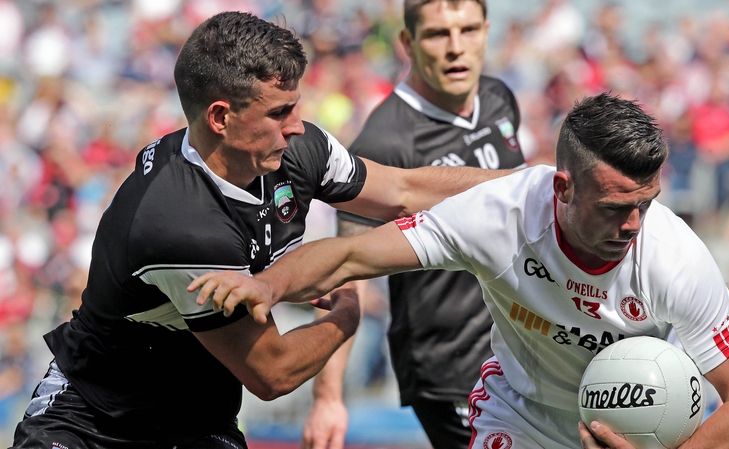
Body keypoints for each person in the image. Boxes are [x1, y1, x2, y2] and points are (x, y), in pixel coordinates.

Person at [10, 12, 515, 448]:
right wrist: (345, 316)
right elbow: (273, 372)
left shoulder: (294, 150)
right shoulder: (179, 224)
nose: (298, 125)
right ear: (220, 117)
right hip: (91, 420)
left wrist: (530, 184)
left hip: (198, 421)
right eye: (279, 113)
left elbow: (406, 190)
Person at [191, 93, 729, 449]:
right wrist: (268, 283)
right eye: (613, 208)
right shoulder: (497, 216)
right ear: (563, 187)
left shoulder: (674, 257)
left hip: (639, 435)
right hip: (519, 416)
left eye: (644, 205)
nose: (632, 225)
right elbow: (352, 254)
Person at [303, 1, 527, 448]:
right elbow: (346, 270)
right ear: (408, 42)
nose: (456, 48)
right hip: (451, 366)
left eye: (468, 30)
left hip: (521, 348)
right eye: (438, 34)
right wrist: (327, 396)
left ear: (487, 30)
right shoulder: (384, 140)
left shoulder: (500, 99)